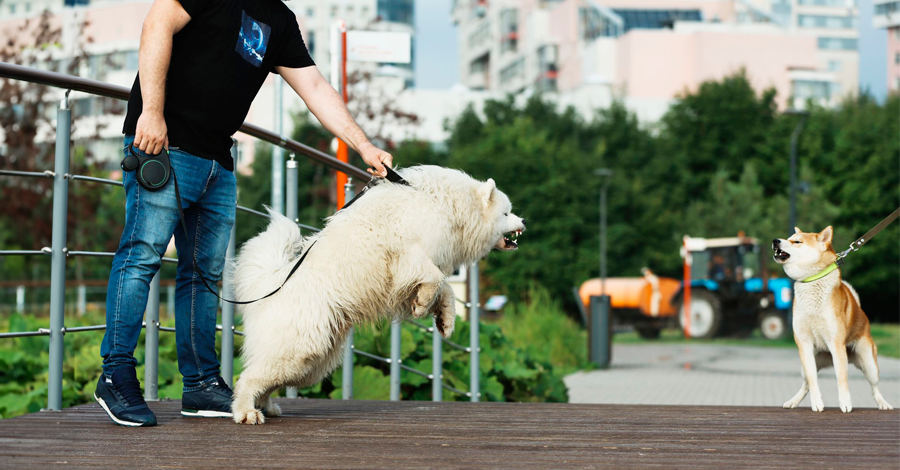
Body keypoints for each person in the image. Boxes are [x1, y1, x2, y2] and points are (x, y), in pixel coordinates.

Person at [95, 0, 392, 427]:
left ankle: (200, 384)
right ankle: (116, 375)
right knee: (141, 257)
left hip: (218, 159)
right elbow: (156, 24)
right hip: (163, 144)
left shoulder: (280, 18)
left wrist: (365, 146)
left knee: (203, 275)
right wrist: (152, 112)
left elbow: (315, 88)